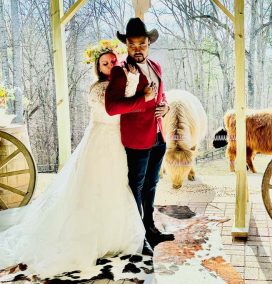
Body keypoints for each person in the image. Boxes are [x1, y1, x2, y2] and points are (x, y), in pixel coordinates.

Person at [0, 40, 149, 278]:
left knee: (116, 184)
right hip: (101, 139)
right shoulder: (99, 88)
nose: (110, 65)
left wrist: (133, 84)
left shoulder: (118, 83)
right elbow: (117, 109)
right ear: (99, 68)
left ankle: (113, 234)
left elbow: (129, 99)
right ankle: (89, 236)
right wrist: (137, 95)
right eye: (105, 63)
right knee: (94, 186)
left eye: (113, 61)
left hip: (116, 142)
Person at [105, 18, 174, 255]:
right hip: (136, 140)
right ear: (126, 45)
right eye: (132, 44)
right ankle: (137, 237)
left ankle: (150, 228)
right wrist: (140, 100)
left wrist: (165, 107)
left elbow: (161, 97)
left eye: (141, 44)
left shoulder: (156, 66)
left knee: (151, 185)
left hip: (157, 136)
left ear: (148, 43)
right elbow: (112, 107)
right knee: (136, 186)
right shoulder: (120, 71)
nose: (137, 48)